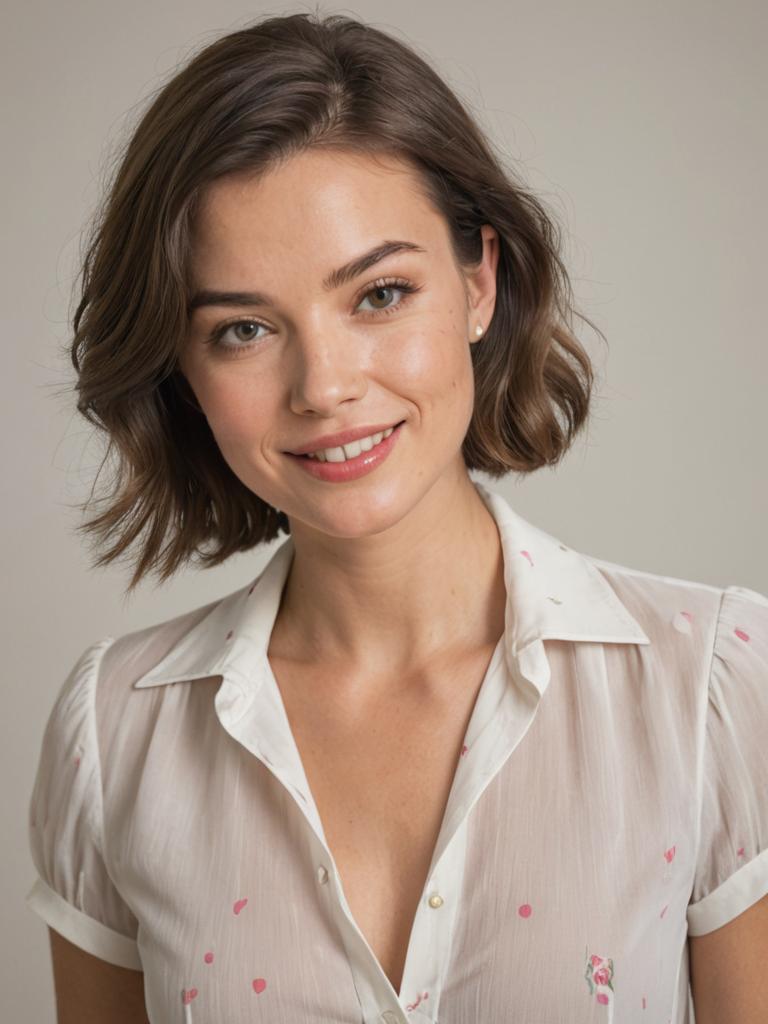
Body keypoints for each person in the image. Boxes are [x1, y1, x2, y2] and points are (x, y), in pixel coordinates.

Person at [24, 11, 768, 1024]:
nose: (324, 386)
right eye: (243, 328)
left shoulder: (710, 693)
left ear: (478, 283)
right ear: (182, 370)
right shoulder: (116, 736)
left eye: (378, 294)